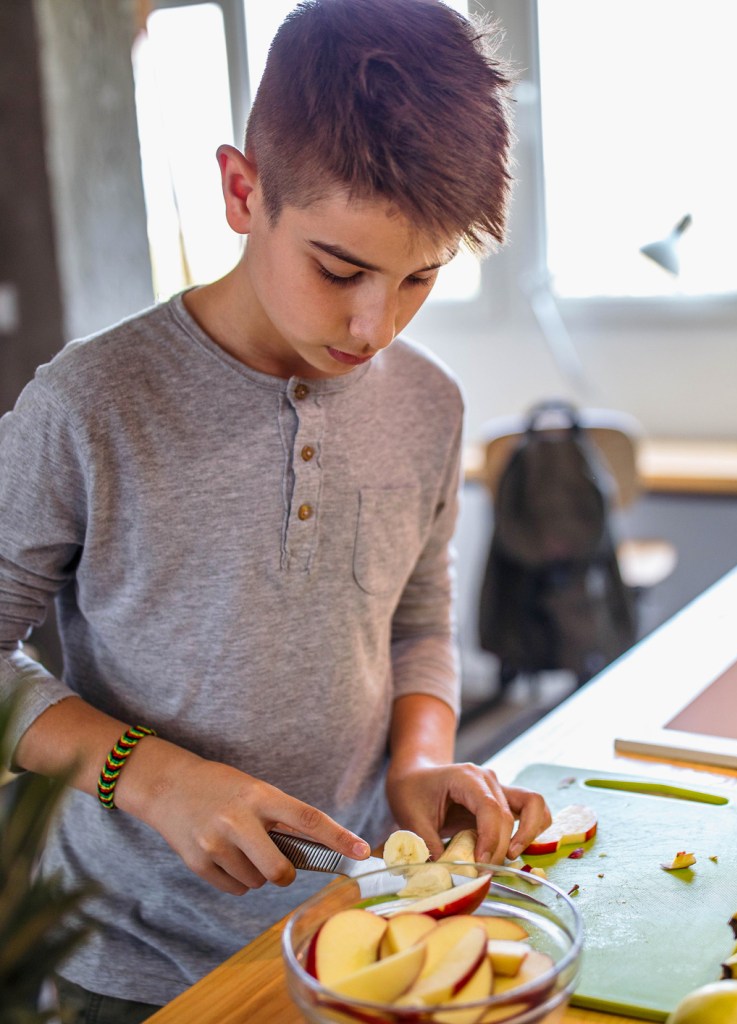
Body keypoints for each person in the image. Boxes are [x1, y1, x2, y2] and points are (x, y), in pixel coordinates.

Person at [0, 1, 551, 1019]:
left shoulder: (429, 402)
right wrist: (154, 778)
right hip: (126, 962)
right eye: (338, 269)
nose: (373, 323)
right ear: (242, 191)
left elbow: (418, 617)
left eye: (420, 278)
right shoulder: (88, 405)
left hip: (357, 928)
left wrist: (419, 764)